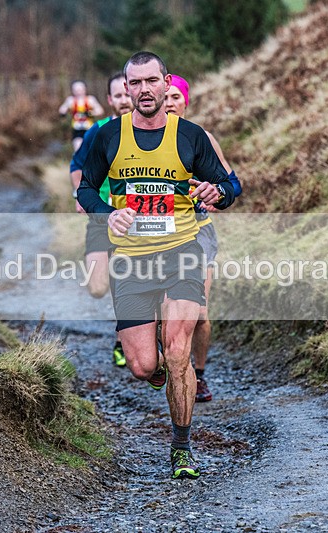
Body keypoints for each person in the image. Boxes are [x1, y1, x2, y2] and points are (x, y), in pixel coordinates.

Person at [77, 51, 235, 479]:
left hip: (182, 253)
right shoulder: (107, 137)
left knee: (178, 350)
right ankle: (164, 371)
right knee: (144, 366)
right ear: (125, 91)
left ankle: (181, 449)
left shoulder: (191, 136)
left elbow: (231, 183)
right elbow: (86, 190)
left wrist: (216, 192)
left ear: (167, 85)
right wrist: (109, 214)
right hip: (130, 261)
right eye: (136, 83)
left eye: (152, 81)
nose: (145, 90)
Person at [164, 75, 243, 403]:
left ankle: (199, 374)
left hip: (198, 230)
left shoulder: (201, 138)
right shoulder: (141, 138)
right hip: (158, 231)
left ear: (186, 102)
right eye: (164, 97)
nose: (169, 103)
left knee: (199, 311)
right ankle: (169, 365)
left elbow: (231, 183)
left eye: (175, 98)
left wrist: (217, 193)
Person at [69, 72, 133, 368]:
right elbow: (77, 165)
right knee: (97, 287)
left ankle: (125, 339)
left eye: (127, 92)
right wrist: (79, 195)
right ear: (109, 100)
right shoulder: (99, 131)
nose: (124, 99)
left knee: (129, 280)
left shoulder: (153, 131)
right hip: (100, 216)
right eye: (117, 95)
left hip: (136, 220)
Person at [58, 80, 105, 151]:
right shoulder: (71, 100)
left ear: (85, 89)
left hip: (89, 128)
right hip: (77, 129)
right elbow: (62, 109)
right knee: (78, 149)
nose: (78, 92)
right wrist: (63, 112)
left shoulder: (90, 99)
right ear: (73, 91)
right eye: (76, 90)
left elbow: (100, 111)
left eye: (80, 90)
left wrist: (90, 113)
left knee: (91, 149)